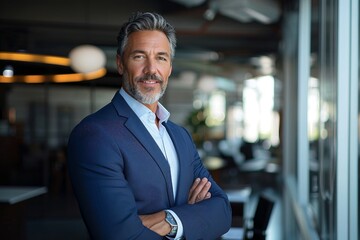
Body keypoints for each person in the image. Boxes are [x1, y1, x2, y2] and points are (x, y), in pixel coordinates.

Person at [67, 11, 232, 240]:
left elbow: (223, 210)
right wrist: (193, 217)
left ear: (170, 68)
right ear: (120, 63)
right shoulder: (94, 134)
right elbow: (119, 235)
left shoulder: (180, 135)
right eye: (139, 56)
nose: (151, 69)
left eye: (161, 58)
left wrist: (170, 221)